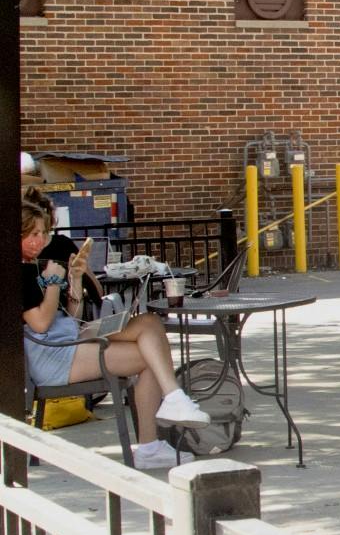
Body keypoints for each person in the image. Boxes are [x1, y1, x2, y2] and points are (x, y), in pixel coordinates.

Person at [20, 193, 210, 471]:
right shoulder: (18, 272)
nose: (40, 241)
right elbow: (40, 324)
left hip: (69, 336)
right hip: (52, 355)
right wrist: (51, 283)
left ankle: (173, 400)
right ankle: (153, 440)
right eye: (33, 234)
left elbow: (72, 313)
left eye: (43, 233)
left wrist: (75, 278)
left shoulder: (35, 265)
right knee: (150, 358)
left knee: (149, 323)